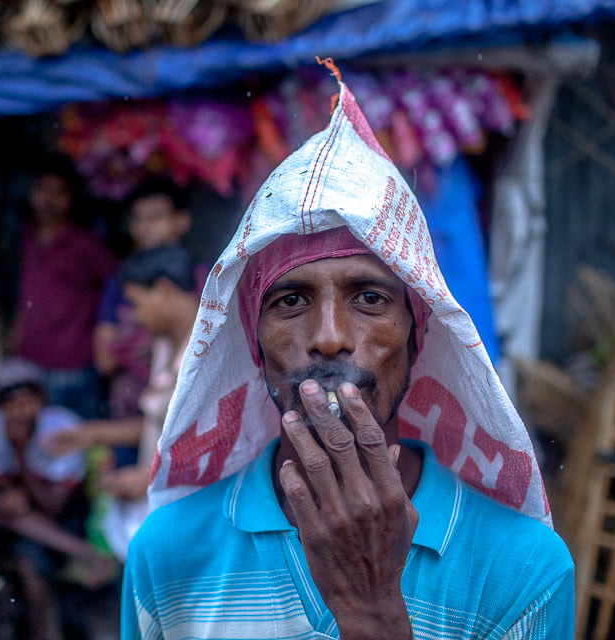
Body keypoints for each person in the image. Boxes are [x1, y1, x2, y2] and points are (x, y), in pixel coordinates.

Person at [121, 65, 575, 639]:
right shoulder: (166, 557)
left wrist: (373, 609)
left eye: (368, 297)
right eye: (289, 300)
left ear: (418, 337)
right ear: (253, 344)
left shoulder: (522, 570)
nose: (330, 335)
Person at [46, 244, 201, 559]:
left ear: (163, 289)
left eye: (136, 303)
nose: (136, 317)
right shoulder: (163, 344)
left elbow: (223, 449)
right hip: (167, 511)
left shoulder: (208, 354)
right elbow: (157, 426)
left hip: (195, 519)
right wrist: (90, 434)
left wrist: (147, 478)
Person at [0, 357, 114, 640]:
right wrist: (7, 495)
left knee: (28, 556)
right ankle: (85, 554)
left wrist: (20, 453)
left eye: (28, 400)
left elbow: (56, 505)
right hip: (19, 523)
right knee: (10, 520)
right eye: (11, 403)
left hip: (66, 515)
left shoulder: (60, 428)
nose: (21, 411)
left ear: (41, 399)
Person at [7, 156, 116, 419]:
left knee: (73, 442)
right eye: (42, 190)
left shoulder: (84, 244)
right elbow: (27, 292)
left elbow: (116, 286)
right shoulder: (27, 237)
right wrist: (16, 331)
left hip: (73, 364)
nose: (48, 200)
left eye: (58, 193)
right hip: (31, 359)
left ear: (71, 199)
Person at [93, 178, 195, 438]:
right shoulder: (120, 283)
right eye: (138, 220)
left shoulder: (211, 280)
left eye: (155, 217)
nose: (145, 228)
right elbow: (104, 359)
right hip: (129, 410)